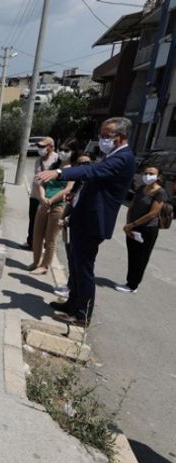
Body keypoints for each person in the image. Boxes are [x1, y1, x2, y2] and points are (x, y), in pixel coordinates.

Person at [37, 117, 137, 325]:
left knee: (84, 269)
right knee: (75, 264)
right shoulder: (112, 155)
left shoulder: (123, 158)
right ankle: (72, 303)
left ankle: (82, 314)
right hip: (83, 219)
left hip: (93, 223)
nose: (102, 140)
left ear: (121, 137)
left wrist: (59, 172)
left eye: (106, 136)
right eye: (100, 135)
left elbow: (92, 171)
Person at [115, 164, 167, 293]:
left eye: (151, 173)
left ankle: (133, 285)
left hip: (147, 229)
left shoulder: (160, 192)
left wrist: (132, 225)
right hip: (132, 227)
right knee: (132, 255)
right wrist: (128, 225)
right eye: (146, 173)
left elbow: (153, 213)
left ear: (158, 176)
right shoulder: (141, 188)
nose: (147, 176)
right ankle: (129, 282)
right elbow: (131, 206)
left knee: (141, 257)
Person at [30, 139, 76, 275]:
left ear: (73, 152)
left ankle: (44, 266)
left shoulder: (73, 170)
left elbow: (68, 189)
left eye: (66, 150)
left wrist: (51, 200)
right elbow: (42, 183)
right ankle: (35, 262)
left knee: (50, 238)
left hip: (58, 206)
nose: (62, 152)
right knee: (37, 234)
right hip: (44, 202)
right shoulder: (54, 166)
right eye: (61, 149)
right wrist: (43, 198)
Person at [53, 153, 93, 299]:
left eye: (86, 164)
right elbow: (72, 204)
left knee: (78, 263)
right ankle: (71, 287)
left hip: (78, 227)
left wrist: (67, 220)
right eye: (80, 164)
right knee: (71, 259)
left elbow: (85, 209)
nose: (83, 167)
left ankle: (74, 291)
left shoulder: (90, 185)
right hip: (69, 226)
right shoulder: (78, 183)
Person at [24, 137, 58, 250]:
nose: (40, 148)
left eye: (43, 146)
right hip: (35, 194)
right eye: (39, 146)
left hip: (48, 197)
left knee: (46, 222)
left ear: (51, 147)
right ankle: (31, 243)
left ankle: (43, 245)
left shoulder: (56, 160)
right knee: (33, 219)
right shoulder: (38, 160)